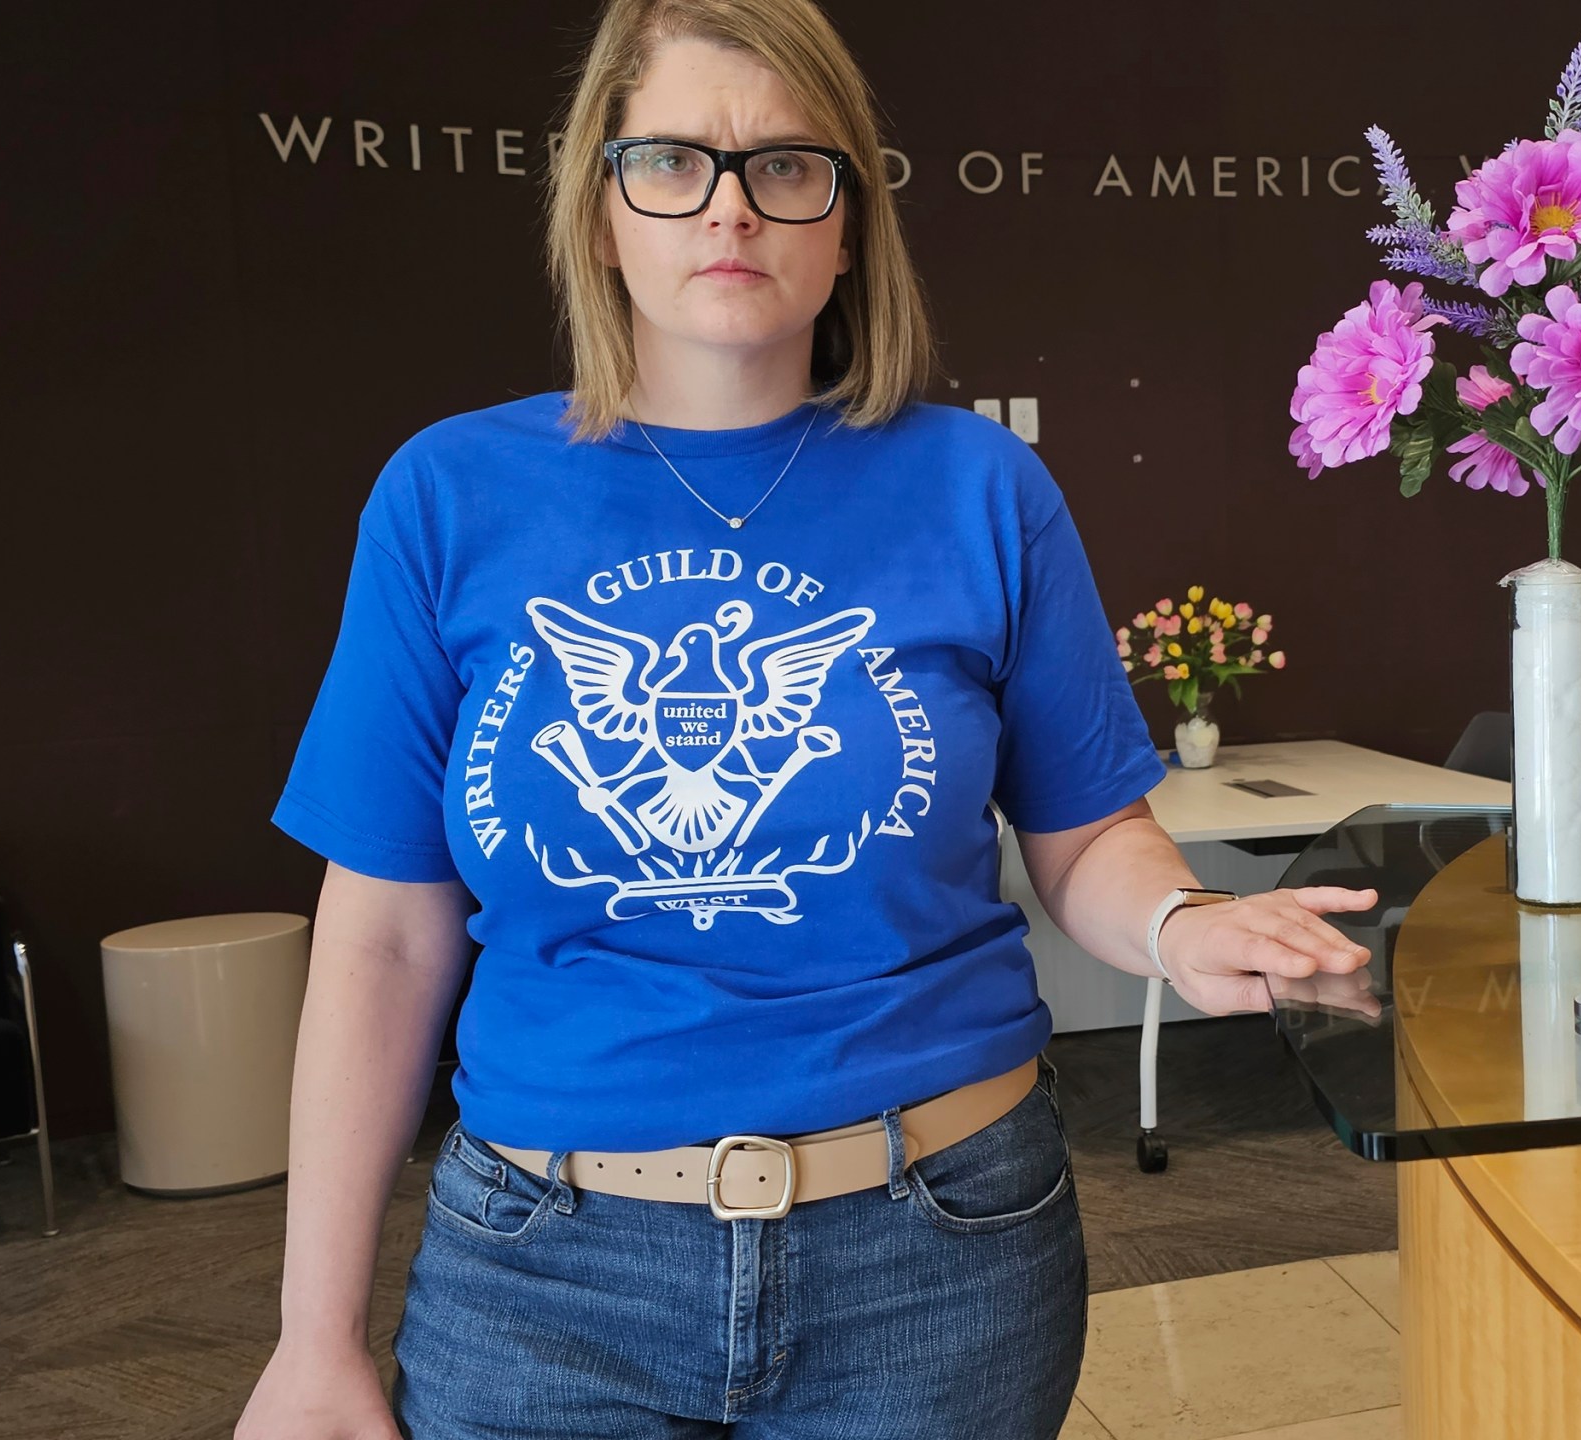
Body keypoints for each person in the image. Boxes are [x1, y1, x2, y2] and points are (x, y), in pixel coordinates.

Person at [235, 2, 1376, 1436]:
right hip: (545, 1277)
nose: (731, 206)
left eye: (788, 164)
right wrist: (311, 1335)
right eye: (673, 160)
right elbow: (387, 931)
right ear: (600, 210)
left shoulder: (980, 487)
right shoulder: (448, 496)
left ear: (849, 222)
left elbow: (1087, 841)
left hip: (938, 1256)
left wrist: (1183, 925)